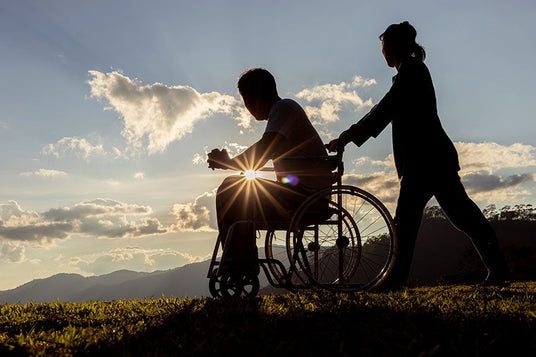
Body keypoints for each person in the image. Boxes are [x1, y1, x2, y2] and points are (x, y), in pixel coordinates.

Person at [329, 21, 509, 290]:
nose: (383, 53)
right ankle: (498, 270)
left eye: (384, 47)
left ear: (392, 48)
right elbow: (385, 110)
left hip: (425, 163)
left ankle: (396, 281)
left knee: (414, 223)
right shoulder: (411, 72)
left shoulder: (411, 72)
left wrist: (348, 136)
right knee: (459, 218)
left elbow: (383, 109)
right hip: (432, 161)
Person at [208, 68, 332, 277]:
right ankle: (239, 258)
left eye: (245, 101)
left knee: (231, 188)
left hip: (308, 197)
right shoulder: (284, 110)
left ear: (253, 97)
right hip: (303, 193)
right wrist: (229, 163)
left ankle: (240, 261)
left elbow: (266, 147)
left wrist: (229, 162)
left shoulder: (284, 108)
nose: (247, 108)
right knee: (232, 188)